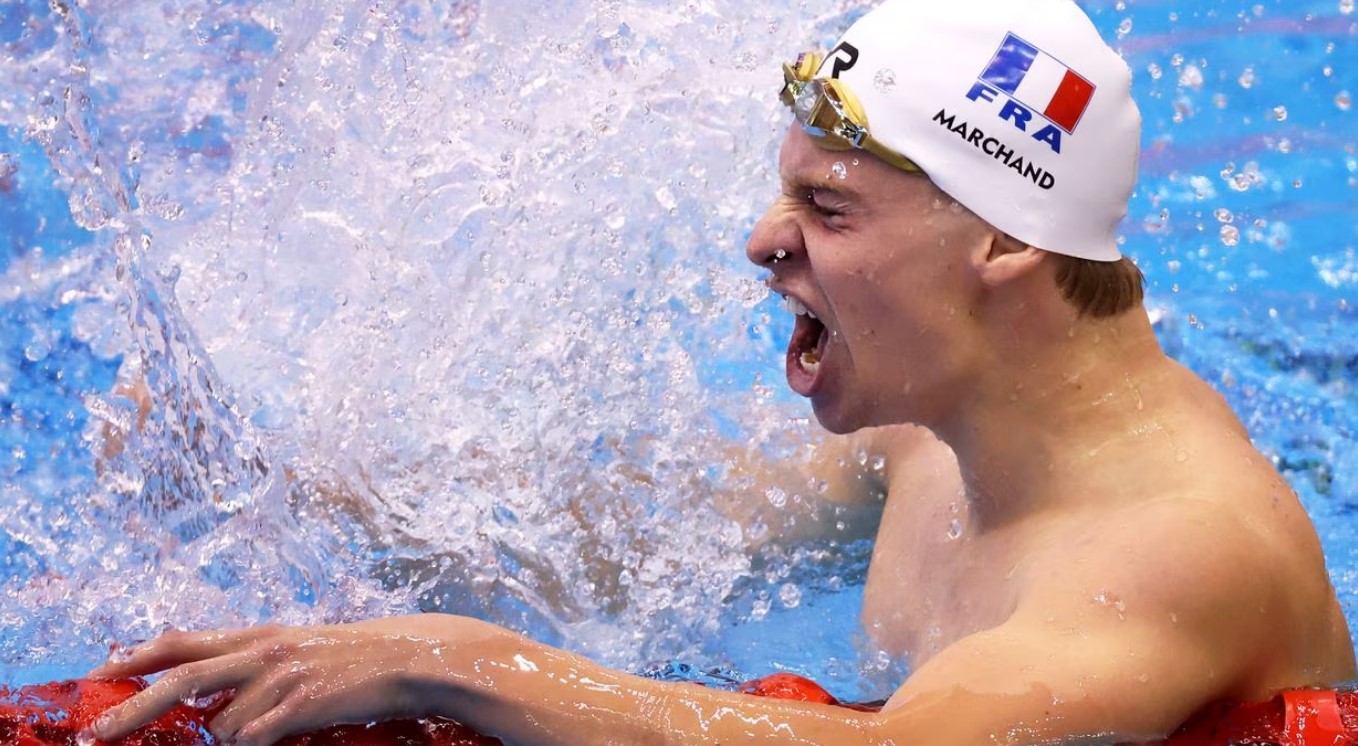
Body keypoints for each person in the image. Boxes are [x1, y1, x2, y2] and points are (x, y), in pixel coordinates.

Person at [85, 0, 1356, 744]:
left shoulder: (1175, 550)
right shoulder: (926, 434)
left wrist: (466, 664)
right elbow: (624, 547)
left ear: (1004, 239)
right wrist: (268, 489)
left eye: (830, 206)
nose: (760, 239)